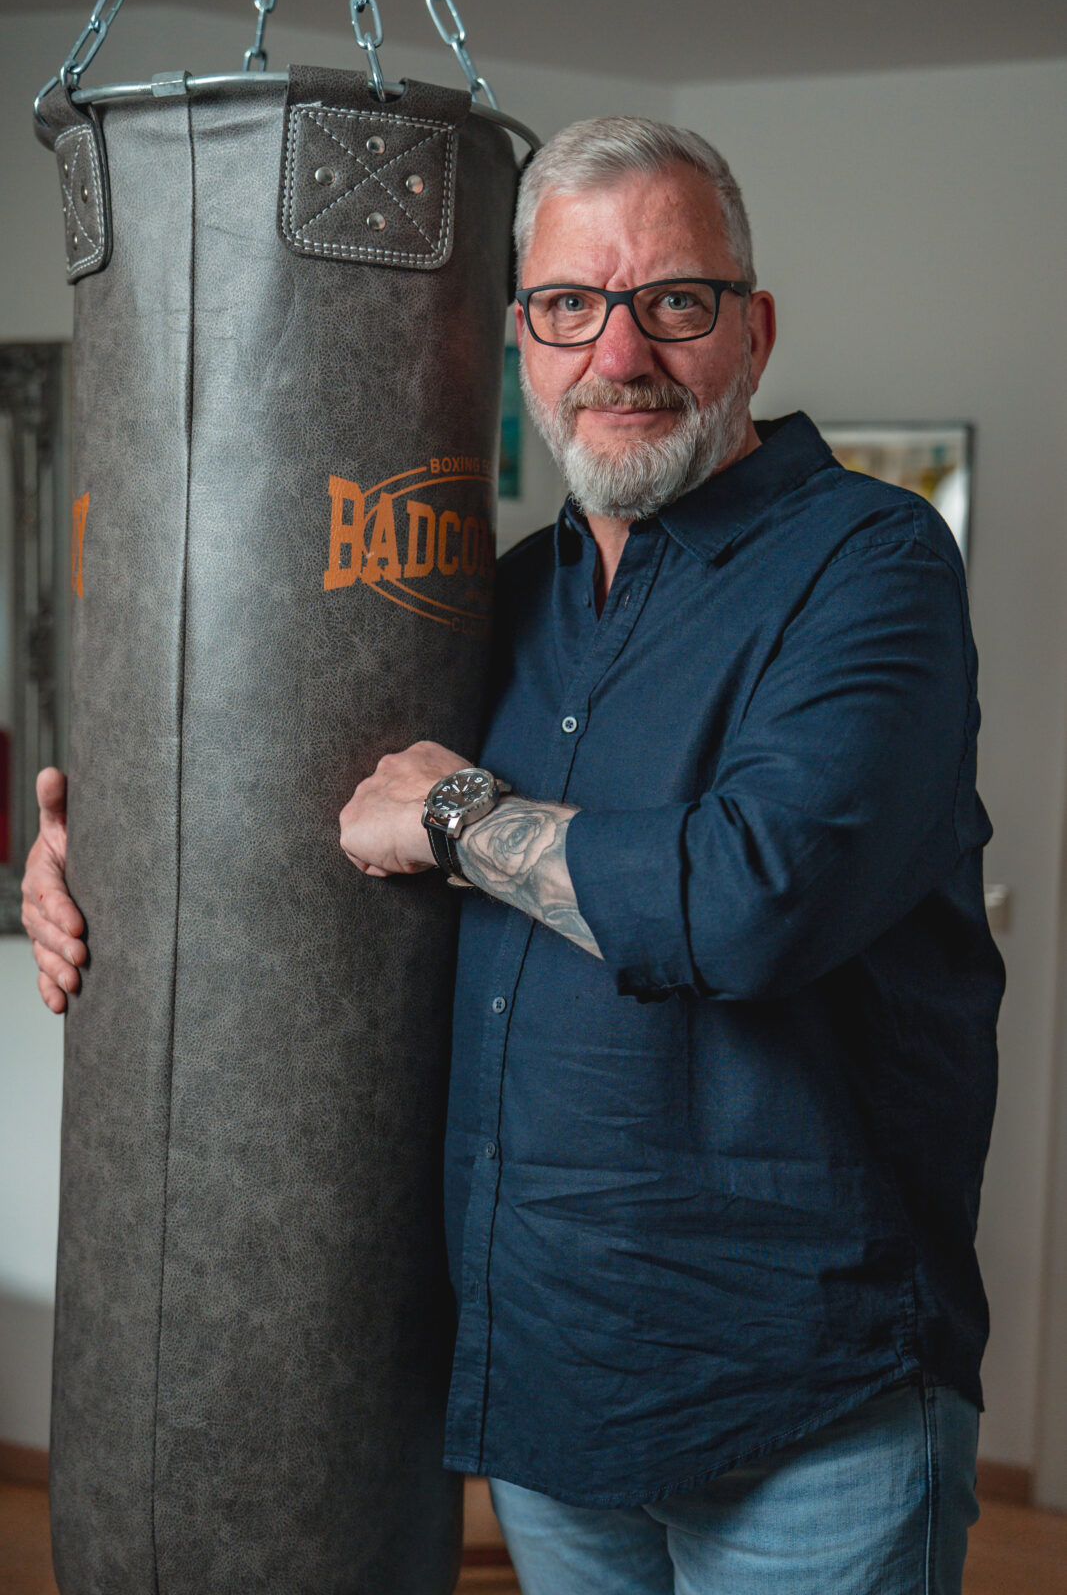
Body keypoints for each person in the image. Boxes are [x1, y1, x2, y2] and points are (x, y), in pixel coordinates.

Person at [23, 118, 1004, 1594]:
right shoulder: (497, 604)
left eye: (674, 300)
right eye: (568, 306)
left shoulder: (869, 565)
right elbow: (304, 848)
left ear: (755, 328)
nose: (620, 353)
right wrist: (92, 873)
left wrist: (460, 818)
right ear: (519, 341)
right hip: (550, 1401)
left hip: (808, 1406)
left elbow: (752, 900)